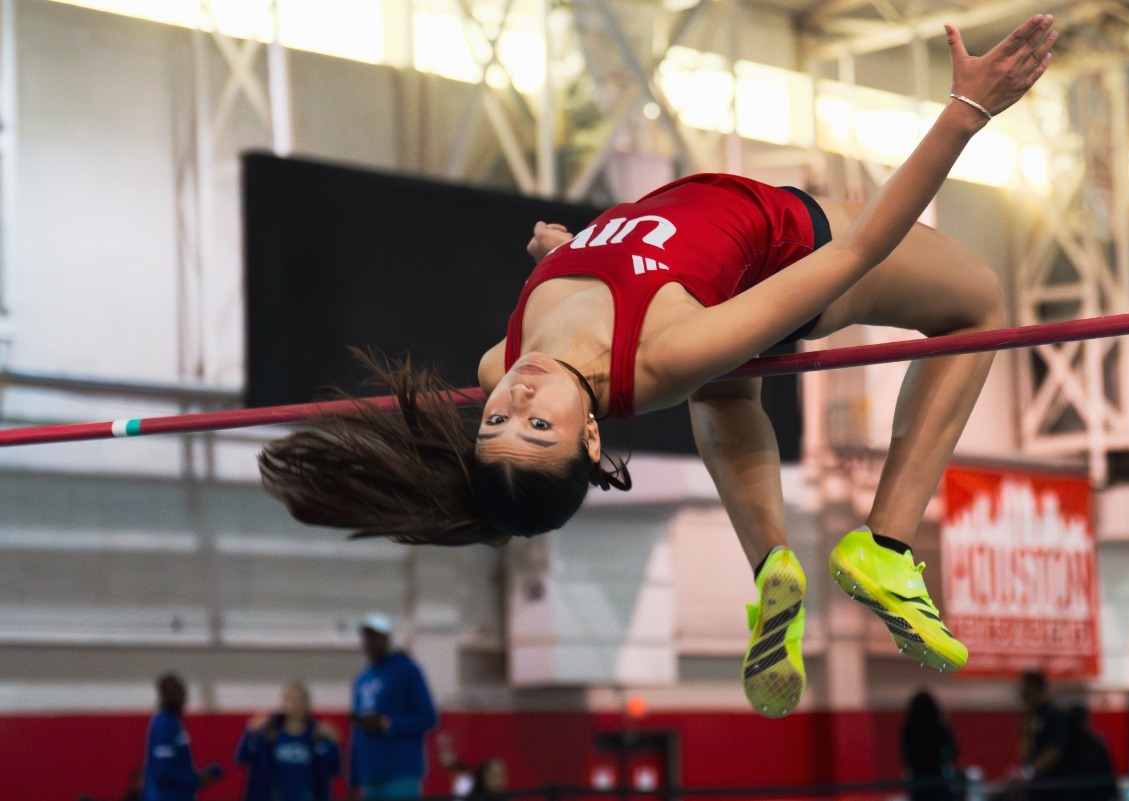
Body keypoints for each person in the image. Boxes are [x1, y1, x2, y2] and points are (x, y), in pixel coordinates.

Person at [260, 15, 1058, 719]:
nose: (517, 395)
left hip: (708, 294)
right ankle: (883, 546)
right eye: (540, 427)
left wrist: (563, 252)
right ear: (593, 439)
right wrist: (968, 111)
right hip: (792, 243)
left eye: (499, 420)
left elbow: (621, 273)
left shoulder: (503, 352)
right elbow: (857, 250)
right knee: (978, 307)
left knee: (724, 388)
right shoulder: (660, 352)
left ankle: (772, 564)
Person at [348, 614, 438, 800]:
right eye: (366, 637)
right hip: (369, 775)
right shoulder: (361, 679)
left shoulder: (407, 670)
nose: (370, 642)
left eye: (375, 636)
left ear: (386, 639)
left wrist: (387, 724)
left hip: (400, 772)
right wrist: (353, 778)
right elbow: (356, 733)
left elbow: (428, 717)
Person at [234, 681, 342, 801]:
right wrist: (250, 734)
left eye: (299, 699)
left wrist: (333, 743)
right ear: (283, 702)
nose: (295, 704)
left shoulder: (318, 736)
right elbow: (241, 758)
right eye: (290, 699)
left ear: (307, 703)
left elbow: (335, 768)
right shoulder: (269, 734)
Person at [142, 673, 223, 801]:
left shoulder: (175, 724)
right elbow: (164, 772)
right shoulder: (164, 725)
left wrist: (200, 777)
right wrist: (198, 779)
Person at [1019, 671, 1068, 801]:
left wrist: (1029, 772)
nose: (1026, 697)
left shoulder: (1054, 715)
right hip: (1034, 788)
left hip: (1053, 787)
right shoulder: (1030, 716)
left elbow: (1055, 750)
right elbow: (1025, 749)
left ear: (1039, 690)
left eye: (1030, 692)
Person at [902, 690, 957, 801]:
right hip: (936, 778)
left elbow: (905, 755)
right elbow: (953, 749)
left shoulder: (909, 730)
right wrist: (943, 762)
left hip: (921, 780)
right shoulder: (938, 728)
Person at [1063, 704, 1118, 801]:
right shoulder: (1096, 744)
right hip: (1096, 795)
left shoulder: (1063, 746)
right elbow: (1108, 773)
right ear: (1085, 720)